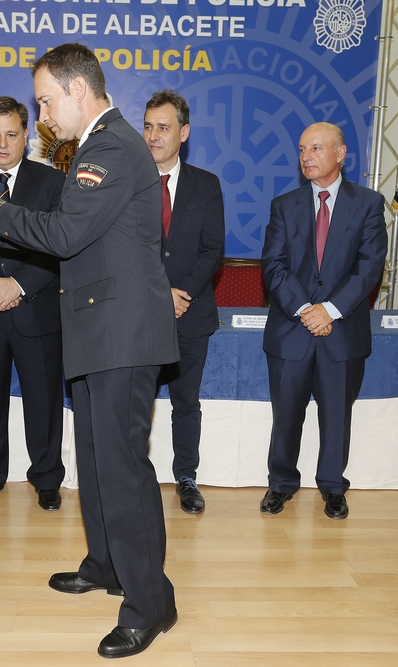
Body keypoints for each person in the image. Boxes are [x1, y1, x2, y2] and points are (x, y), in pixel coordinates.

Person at [0, 43, 179, 660]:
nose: (45, 115)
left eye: (46, 101)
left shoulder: (109, 146)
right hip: (98, 332)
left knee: (122, 468)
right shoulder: (94, 145)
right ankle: (107, 565)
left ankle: (149, 603)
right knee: (94, 458)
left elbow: (64, 235)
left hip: (120, 335)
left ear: (77, 91)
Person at [259, 122, 387, 520]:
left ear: (340, 153)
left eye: (315, 148)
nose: (306, 157)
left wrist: (329, 310)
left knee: (336, 415)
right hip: (291, 330)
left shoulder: (368, 203)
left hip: (342, 331)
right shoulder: (285, 205)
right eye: (301, 150)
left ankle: (333, 486)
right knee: (286, 416)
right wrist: (305, 310)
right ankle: (281, 483)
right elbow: (273, 266)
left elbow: (369, 268)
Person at [0, 97, 67, 512]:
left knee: (44, 399)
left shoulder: (52, 183)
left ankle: (46, 477)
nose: (2, 144)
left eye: (11, 134)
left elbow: (60, 248)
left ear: (27, 136)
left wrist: (18, 285)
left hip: (36, 309)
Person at [142, 90, 224, 514]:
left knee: (185, 402)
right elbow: (127, 250)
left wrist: (182, 293)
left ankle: (186, 477)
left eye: (164, 127)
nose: (154, 136)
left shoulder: (206, 185)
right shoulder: (128, 183)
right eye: (149, 126)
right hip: (140, 315)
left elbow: (213, 250)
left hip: (190, 315)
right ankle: (134, 478)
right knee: (136, 402)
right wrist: (159, 295)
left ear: (184, 132)